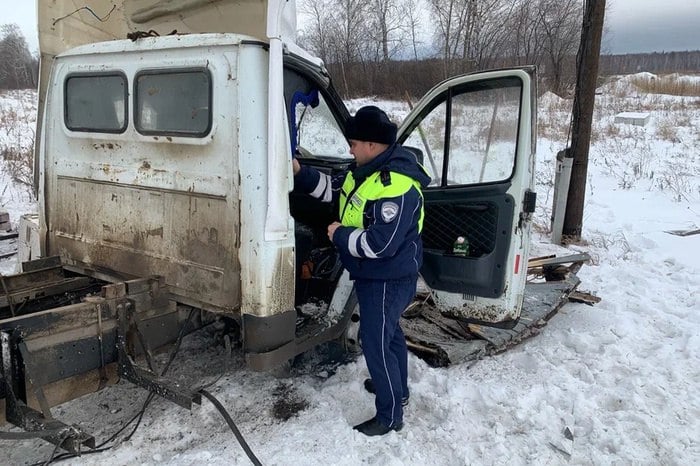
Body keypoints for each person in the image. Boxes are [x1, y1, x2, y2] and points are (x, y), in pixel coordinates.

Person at [293, 106, 430, 436]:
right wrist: (299, 171)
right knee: (390, 334)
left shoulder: (395, 187)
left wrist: (338, 234)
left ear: (371, 145)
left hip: (387, 278)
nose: (349, 150)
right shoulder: (364, 172)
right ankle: (400, 392)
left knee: (376, 342)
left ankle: (389, 416)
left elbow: (381, 245)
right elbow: (332, 188)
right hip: (375, 276)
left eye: (353, 143)